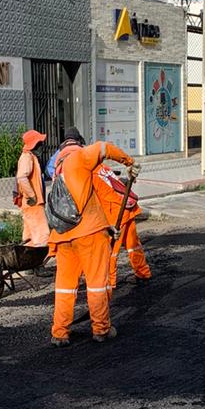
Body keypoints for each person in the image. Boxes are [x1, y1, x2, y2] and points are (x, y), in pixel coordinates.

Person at [47, 137, 137, 346]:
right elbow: (103, 147)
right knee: (97, 283)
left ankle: (60, 332)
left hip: (62, 236)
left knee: (65, 287)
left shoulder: (57, 170)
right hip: (89, 234)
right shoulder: (78, 158)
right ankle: (101, 329)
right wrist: (129, 161)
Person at [93, 164, 151, 287]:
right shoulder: (102, 167)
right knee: (133, 244)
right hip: (127, 207)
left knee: (111, 249)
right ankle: (143, 272)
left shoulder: (87, 173)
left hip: (115, 212)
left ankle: (110, 281)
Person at [15, 129, 50, 247]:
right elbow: (21, 177)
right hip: (33, 203)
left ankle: (29, 261)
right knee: (42, 236)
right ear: (34, 145)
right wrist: (32, 196)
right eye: (40, 143)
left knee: (29, 238)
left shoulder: (29, 156)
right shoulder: (27, 157)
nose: (42, 146)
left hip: (29, 204)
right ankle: (39, 261)